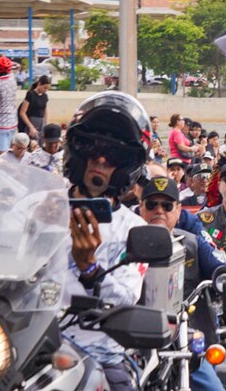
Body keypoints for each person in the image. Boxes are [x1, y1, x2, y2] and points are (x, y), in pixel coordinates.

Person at [60, 91, 151, 391]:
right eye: (91, 146)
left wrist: (89, 269)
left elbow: (126, 298)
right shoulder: (36, 207)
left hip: (96, 351)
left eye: (114, 155)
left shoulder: (133, 228)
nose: (100, 159)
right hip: (24, 338)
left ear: (127, 166)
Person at [138, 176, 226, 391]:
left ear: (178, 211)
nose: (159, 210)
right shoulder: (125, 243)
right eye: (152, 204)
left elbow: (218, 267)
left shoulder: (192, 242)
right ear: (141, 208)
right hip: (136, 337)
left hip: (184, 335)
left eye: (167, 205)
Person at [19, 75, 51, 144]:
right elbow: (22, 113)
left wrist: (46, 124)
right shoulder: (30, 95)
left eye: (47, 88)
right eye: (44, 88)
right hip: (31, 122)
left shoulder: (45, 96)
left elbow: (45, 111)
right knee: (32, 144)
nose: (45, 90)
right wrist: (31, 127)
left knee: (40, 144)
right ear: (39, 84)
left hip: (41, 123)